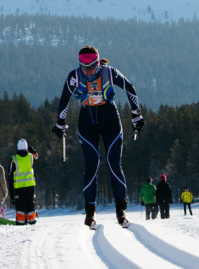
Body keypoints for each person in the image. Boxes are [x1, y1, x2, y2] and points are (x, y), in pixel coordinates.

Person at [52, 45, 144, 230]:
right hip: (87, 121)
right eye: (84, 68)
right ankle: (90, 212)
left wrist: (136, 115)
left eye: (92, 67)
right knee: (91, 164)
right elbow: (64, 98)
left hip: (110, 118)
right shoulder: (74, 76)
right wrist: (60, 123)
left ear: (98, 62)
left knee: (113, 163)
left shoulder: (110, 73)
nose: (88, 71)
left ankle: (121, 210)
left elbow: (130, 88)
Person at [7, 139, 39, 226]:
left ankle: (21, 222)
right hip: (30, 186)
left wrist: (11, 190)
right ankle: (32, 220)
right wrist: (31, 149)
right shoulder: (30, 157)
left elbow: (10, 174)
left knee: (20, 205)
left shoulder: (14, 159)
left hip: (19, 187)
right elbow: (36, 155)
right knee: (30, 203)